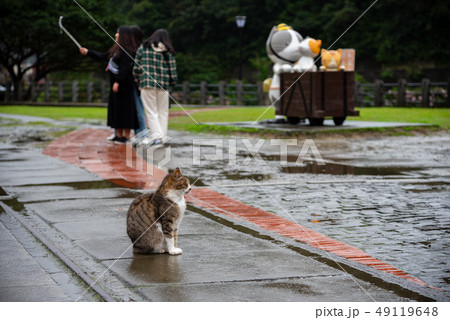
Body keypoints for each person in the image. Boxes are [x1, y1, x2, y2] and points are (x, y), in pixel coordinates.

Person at [80, 26, 138, 143]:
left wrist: (118, 82)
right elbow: (103, 56)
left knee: (125, 110)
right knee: (117, 110)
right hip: (115, 85)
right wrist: (88, 52)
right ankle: (118, 135)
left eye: (118, 33)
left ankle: (126, 137)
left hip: (124, 86)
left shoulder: (128, 51)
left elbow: (125, 68)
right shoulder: (116, 49)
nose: (116, 35)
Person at [133, 29, 177, 146]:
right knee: (163, 112)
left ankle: (157, 138)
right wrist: (172, 82)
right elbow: (172, 71)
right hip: (163, 85)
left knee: (151, 112)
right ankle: (161, 137)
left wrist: (138, 81)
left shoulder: (143, 48)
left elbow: (136, 67)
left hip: (147, 84)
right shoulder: (168, 50)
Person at [130, 25, 146, 134]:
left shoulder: (139, 48)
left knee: (139, 108)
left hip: (137, 82)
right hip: (136, 82)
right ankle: (139, 131)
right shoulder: (141, 47)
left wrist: (139, 81)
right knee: (137, 108)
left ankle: (142, 132)